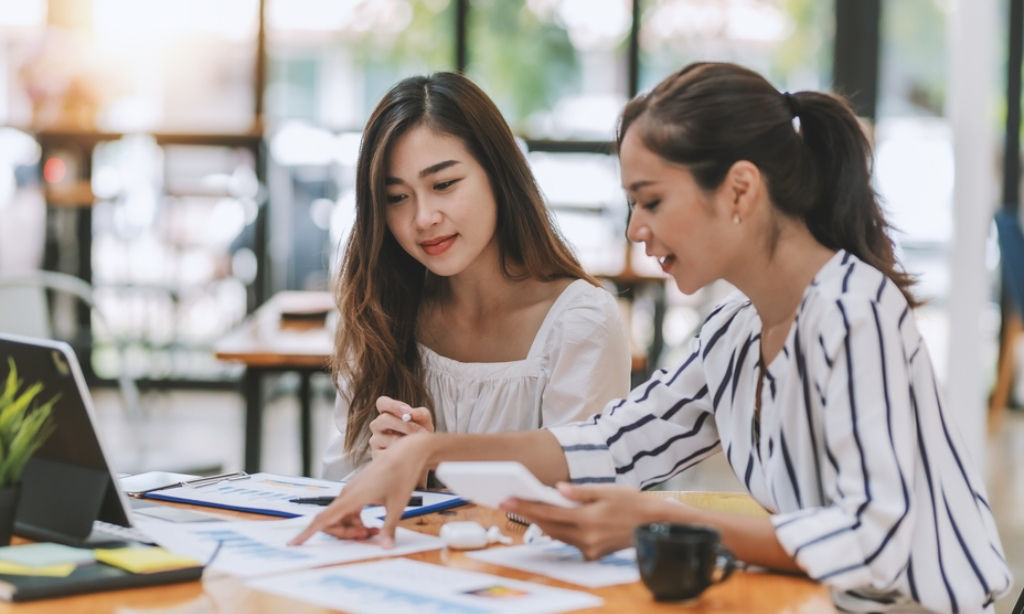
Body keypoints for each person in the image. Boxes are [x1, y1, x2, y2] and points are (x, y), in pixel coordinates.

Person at [293, 62, 1011, 613]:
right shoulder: (735, 333)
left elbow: (878, 545)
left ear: (739, 190)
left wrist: (665, 519)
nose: (637, 231)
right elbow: (607, 445)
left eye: (651, 201)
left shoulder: (855, 311)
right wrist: (431, 450)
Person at [320, 72, 631, 479]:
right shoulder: (380, 310)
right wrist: (391, 473)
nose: (423, 218)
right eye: (396, 197)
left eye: (444, 184)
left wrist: (439, 463)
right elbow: (337, 484)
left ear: (499, 176)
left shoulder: (581, 324)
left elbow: (584, 499)